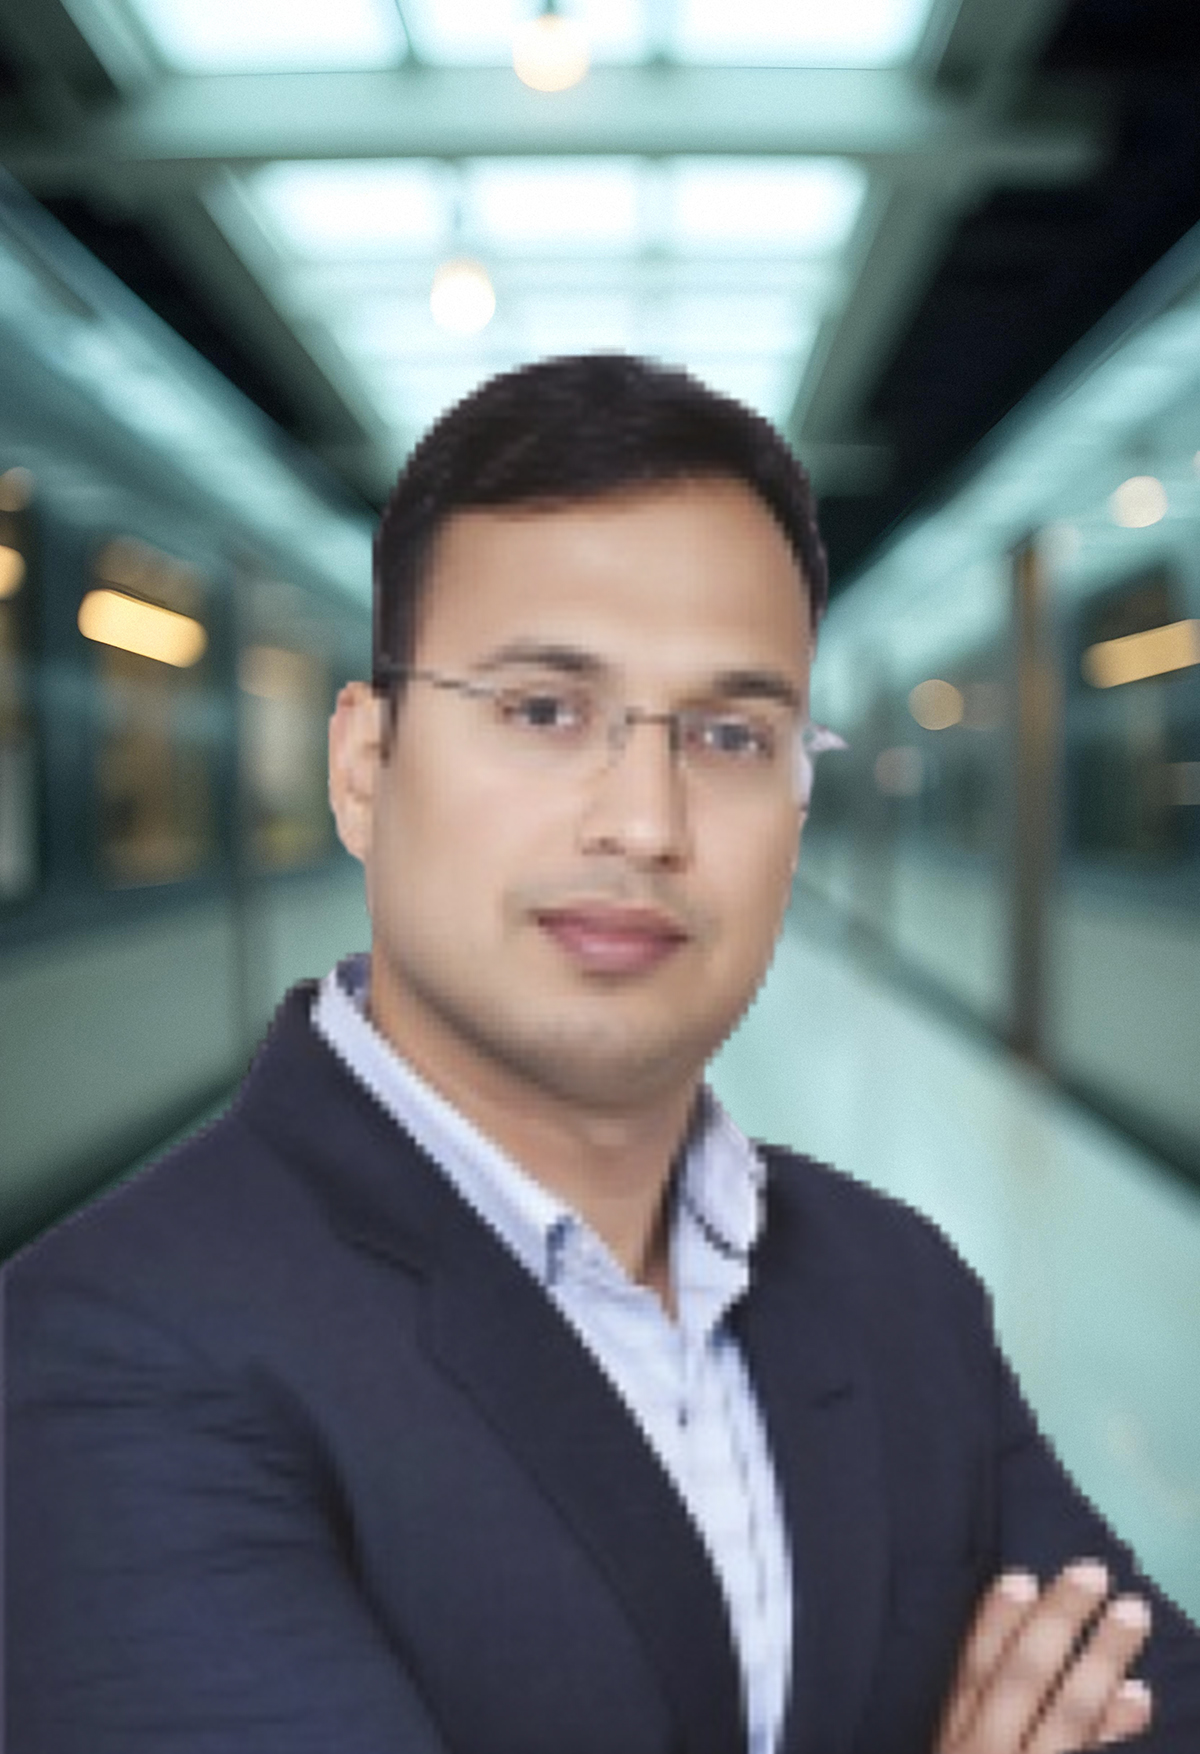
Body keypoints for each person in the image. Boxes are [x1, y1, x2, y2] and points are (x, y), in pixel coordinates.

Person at [5, 353, 1199, 1754]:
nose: (645, 821)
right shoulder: (100, 1354)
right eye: (543, 710)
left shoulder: (899, 1285)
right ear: (363, 767)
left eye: (731, 734)